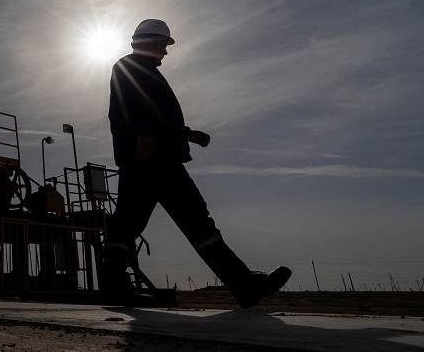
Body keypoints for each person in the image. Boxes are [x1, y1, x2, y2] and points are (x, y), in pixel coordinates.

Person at [102, 18, 291, 308]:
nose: (166, 52)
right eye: (164, 45)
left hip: (157, 158)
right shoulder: (128, 67)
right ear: (151, 42)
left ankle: (245, 286)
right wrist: (142, 135)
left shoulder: (147, 72)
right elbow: (130, 104)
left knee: (156, 223)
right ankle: (245, 285)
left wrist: (187, 134)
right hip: (149, 160)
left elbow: (157, 115)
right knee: (142, 222)